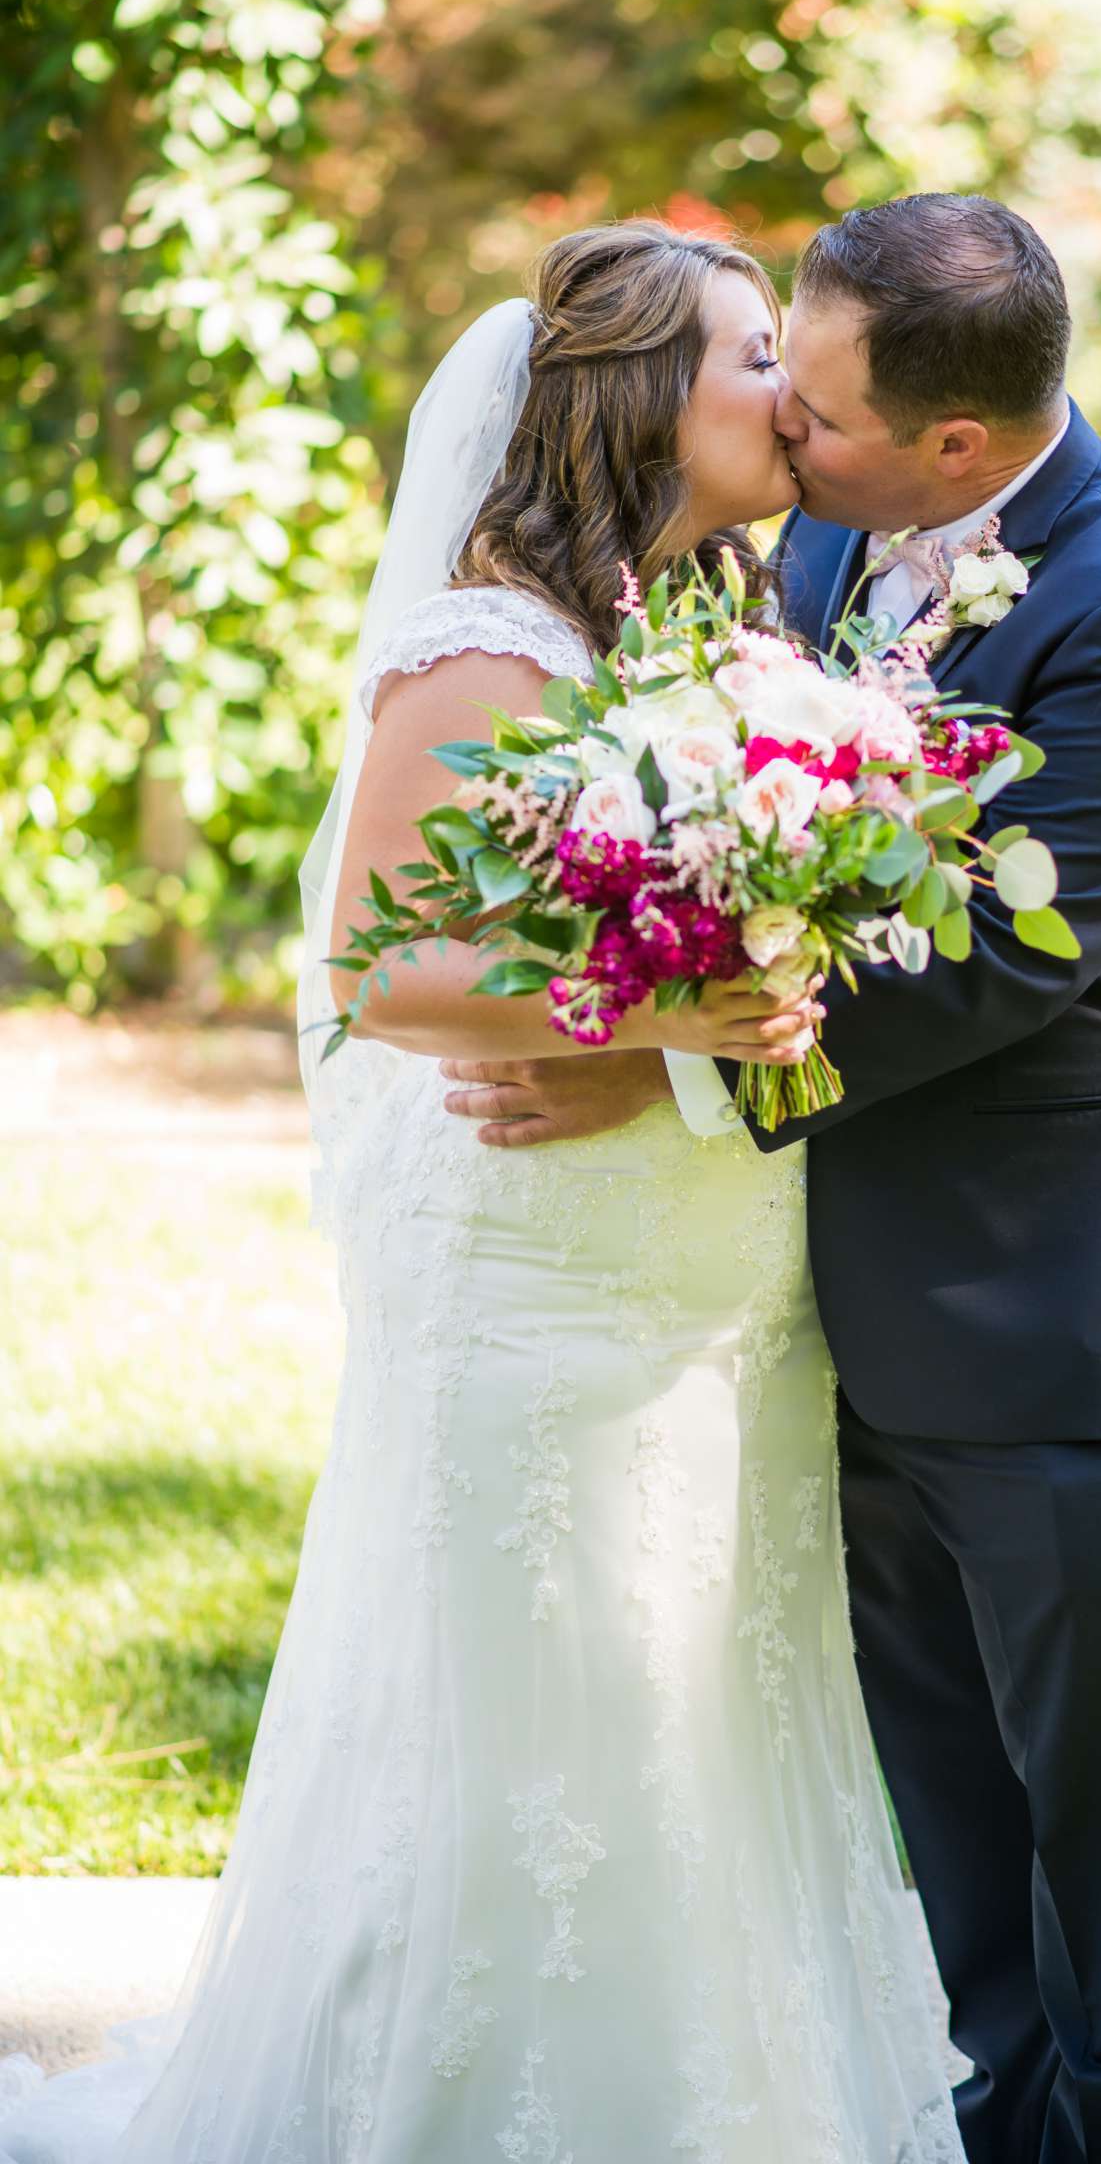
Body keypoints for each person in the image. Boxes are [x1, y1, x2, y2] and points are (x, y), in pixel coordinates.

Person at [0, 223, 963, 2163]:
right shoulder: (486, 647)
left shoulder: (715, 635)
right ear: (633, 396)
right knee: (548, 1707)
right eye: (753, 353)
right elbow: (385, 975)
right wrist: (679, 1009)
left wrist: (728, 985)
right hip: (552, 1272)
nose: (791, 391)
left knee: (712, 1704)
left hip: (712, 1279)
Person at [442, 194, 1101, 2164]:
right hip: (861, 1309)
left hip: (1069, 1313)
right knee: (956, 1824)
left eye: (815, 409)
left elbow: (1001, 959)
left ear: (957, 444)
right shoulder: (826, 533)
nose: (779, 434)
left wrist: (662, 1075)